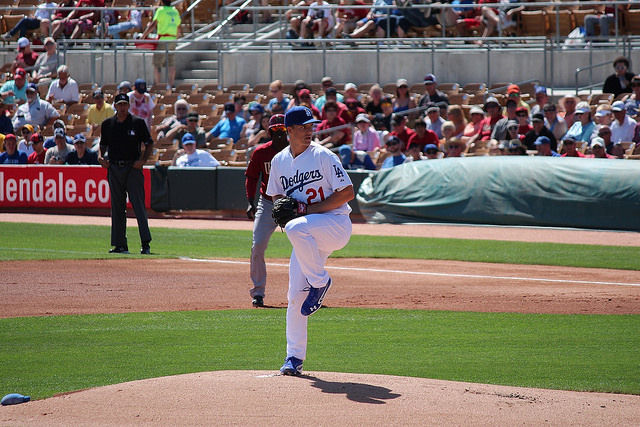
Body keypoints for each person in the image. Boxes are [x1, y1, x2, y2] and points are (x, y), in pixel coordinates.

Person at [266, 106, 354, 376]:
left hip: (335, 225)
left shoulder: (323, 156)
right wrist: (285, 207)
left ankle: (320, 281)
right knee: (294, 296)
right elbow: (276, 198)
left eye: (310, 126)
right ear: (288, 130)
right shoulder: (280, 161)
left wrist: (307, 211)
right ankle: (294, 358)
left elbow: (348, 192)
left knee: (295, 226)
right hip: (307, 233)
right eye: (303, 127)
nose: (309, 130)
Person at [98, 93, 154, 254]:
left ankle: (145, 243)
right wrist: (101, 157)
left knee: (138, 206)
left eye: (125, 104)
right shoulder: (108, 124)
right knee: (117, 207)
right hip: (114, 168)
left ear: (129, 106)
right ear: (115, 106)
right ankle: (120, 244)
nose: (122, 108)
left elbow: (149, 143)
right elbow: (103, 145)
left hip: (132, 168)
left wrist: (142, 160)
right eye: (119, 104)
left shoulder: (137, 123)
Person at [244, 114, 288, 308]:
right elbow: (252, 177)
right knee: (257, 245)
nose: (279, 134)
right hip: (268, 202)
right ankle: (258, 292)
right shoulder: (261, 152)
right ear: (269, 132)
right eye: (275, 130)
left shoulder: (298, 152)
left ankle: (310, 288)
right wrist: (249, 201)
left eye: (283, 130)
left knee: (307, 245)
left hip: (294, 205)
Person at [141, 0, 181, 88]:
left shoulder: (161, 10)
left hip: (163, 39)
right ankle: (171, 84)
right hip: (173, 39)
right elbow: (178, 27)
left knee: (157, 63)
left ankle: (158, 85)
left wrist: (144, 35)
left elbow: (153, 24)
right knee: (171, 63)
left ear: (162, 2)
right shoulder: (175, 11)